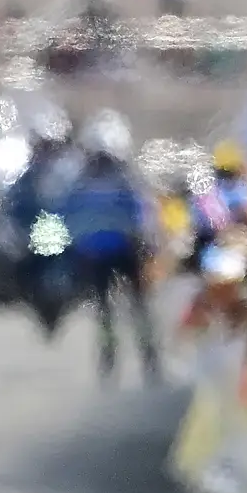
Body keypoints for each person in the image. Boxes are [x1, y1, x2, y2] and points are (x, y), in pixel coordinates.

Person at [64, 109, 161, 380]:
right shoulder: (125, 178)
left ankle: (115, 360)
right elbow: (144, 213)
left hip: (101, 254)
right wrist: (149, 242)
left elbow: (70, 216)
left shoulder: (82, 180)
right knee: (134, 307)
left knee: (107, 309)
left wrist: (77, 247)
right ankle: (147, 358)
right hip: (123, 250)